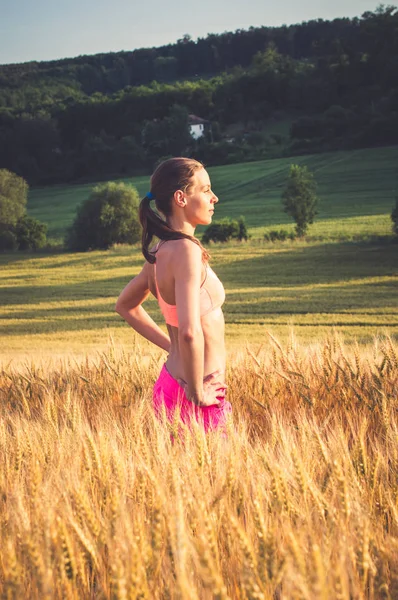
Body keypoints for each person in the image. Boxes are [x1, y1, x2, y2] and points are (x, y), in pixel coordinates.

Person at [115, 157, 232, 433]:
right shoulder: (187, 252)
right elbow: (190, 331)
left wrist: (172, 347)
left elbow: (125, 306)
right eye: (205, 190)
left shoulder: (158, 253)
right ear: (180, 197)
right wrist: (196, 392)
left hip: (169, 385)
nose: (214, 198)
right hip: (198, 392)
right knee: (216, 474)